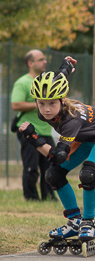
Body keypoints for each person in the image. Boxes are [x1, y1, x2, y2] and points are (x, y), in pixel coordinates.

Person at [18, 63, 95, 251]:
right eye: (41, 103)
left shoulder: (71, 120)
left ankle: (88, 221)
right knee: (53, 175)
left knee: (88, 173)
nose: (46, 109)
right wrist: (66, 68)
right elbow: (58, 78)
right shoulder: (47, 109)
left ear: (62, 100)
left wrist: (33, 137)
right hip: (84, 138)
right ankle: (74, 221)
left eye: (52, 103)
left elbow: (59, 156)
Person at [11, 49, 55, 201]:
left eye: (45, 59)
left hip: (46, 131)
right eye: (40, 59)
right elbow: (16, 104)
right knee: (31, 167)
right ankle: (31, 198)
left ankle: (49, 197)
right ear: (30, 63)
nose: (45, 62)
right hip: (28, 130)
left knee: (51, 165)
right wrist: (39, 104)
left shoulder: (46, 82)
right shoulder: (22, 82)